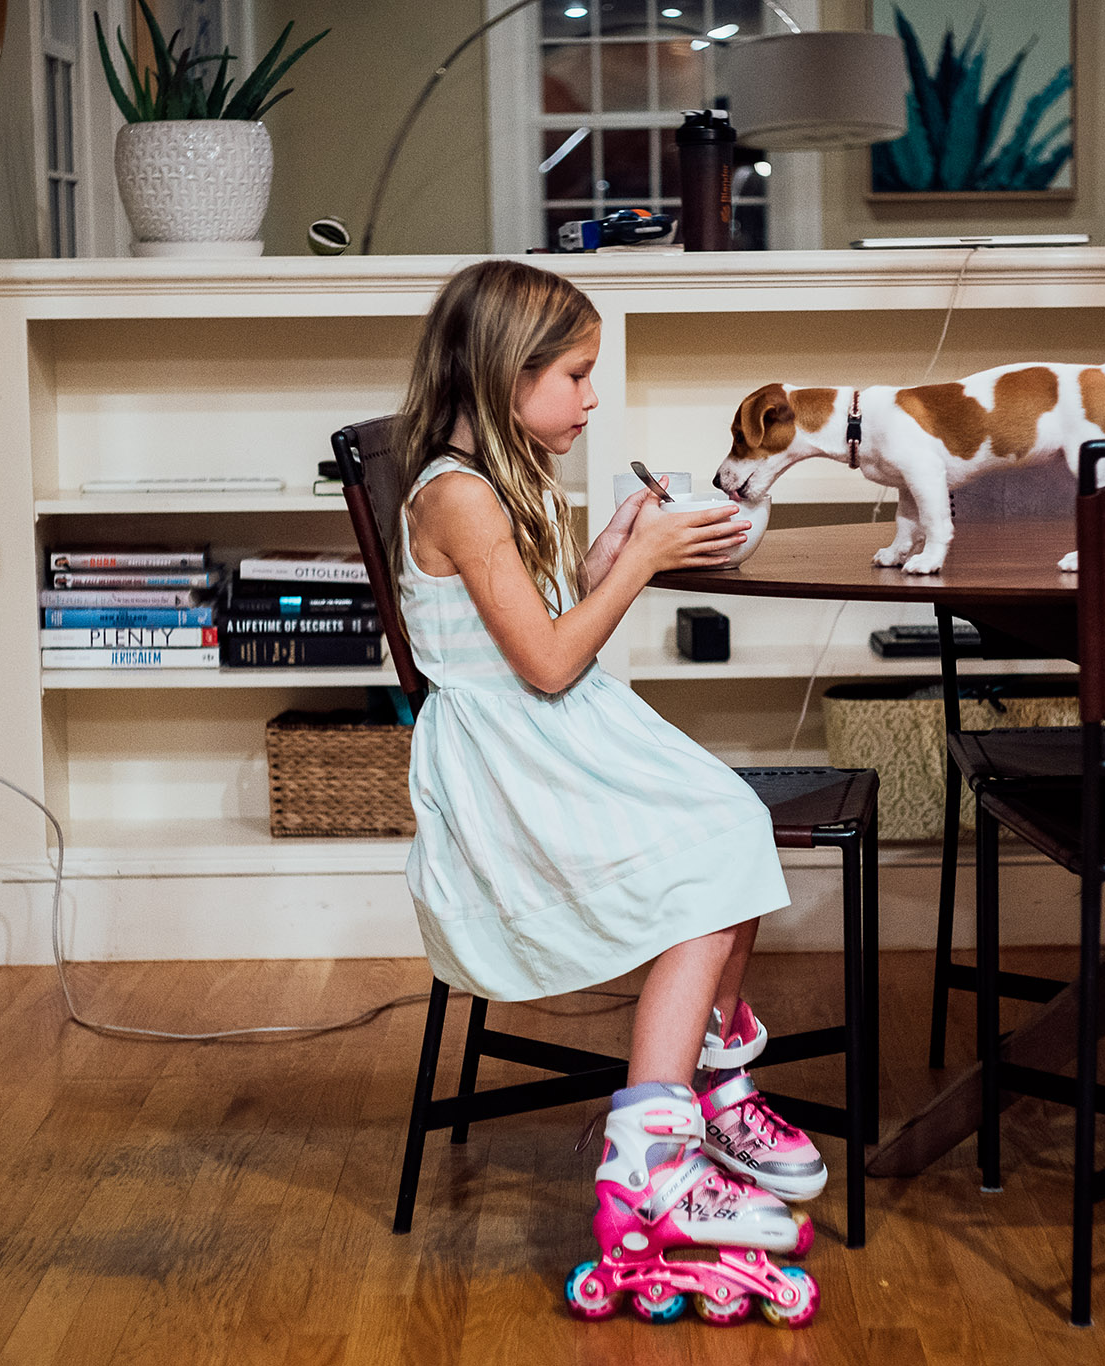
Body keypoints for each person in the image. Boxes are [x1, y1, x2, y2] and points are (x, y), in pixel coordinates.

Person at [392, 260, 825, 1319]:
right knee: (701, 857)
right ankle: (651, 1157)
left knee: (726, 817)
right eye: (577, 376)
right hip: (511, 764)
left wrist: (615, 549)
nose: (590, 399)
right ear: (508, 373)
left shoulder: (505, 477)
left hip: (549, 729)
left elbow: (539, 620)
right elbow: (542, 664)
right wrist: (645, 567)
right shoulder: (456, 496)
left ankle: (708, 1087)